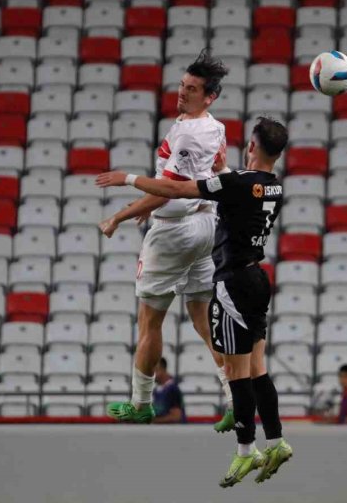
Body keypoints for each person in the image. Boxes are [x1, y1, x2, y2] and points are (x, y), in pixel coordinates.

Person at [96, 117, 292, 488]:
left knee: (239, 375)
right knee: (258, 369)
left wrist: (128, 180)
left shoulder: (235, 183)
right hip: (258, 279)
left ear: (252, 146)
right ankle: (277, 441)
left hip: (233, 281)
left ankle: (246, 452)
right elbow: (242, 188)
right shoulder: (273, 188)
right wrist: (223, 172)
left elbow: (180, 190)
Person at [98, 50, 235, 433]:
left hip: (175, 234)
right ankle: (236, 401)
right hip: (206, 224)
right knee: (204, 319)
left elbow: (171, 190)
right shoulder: (213, 127)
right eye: (182, 85)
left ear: (210, 96)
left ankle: (141, 404)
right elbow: (214, 171)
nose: (183, 93)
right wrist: (151, 205)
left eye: (192, 89)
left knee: (150, 321)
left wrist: (120, 213)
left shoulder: (190, 133)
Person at [153, 358, 186, 423]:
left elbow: (176, 417)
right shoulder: (156, 390)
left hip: (174, 431)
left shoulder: (172, 389)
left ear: (163, 369)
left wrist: (154, 421)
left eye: (155, 370)